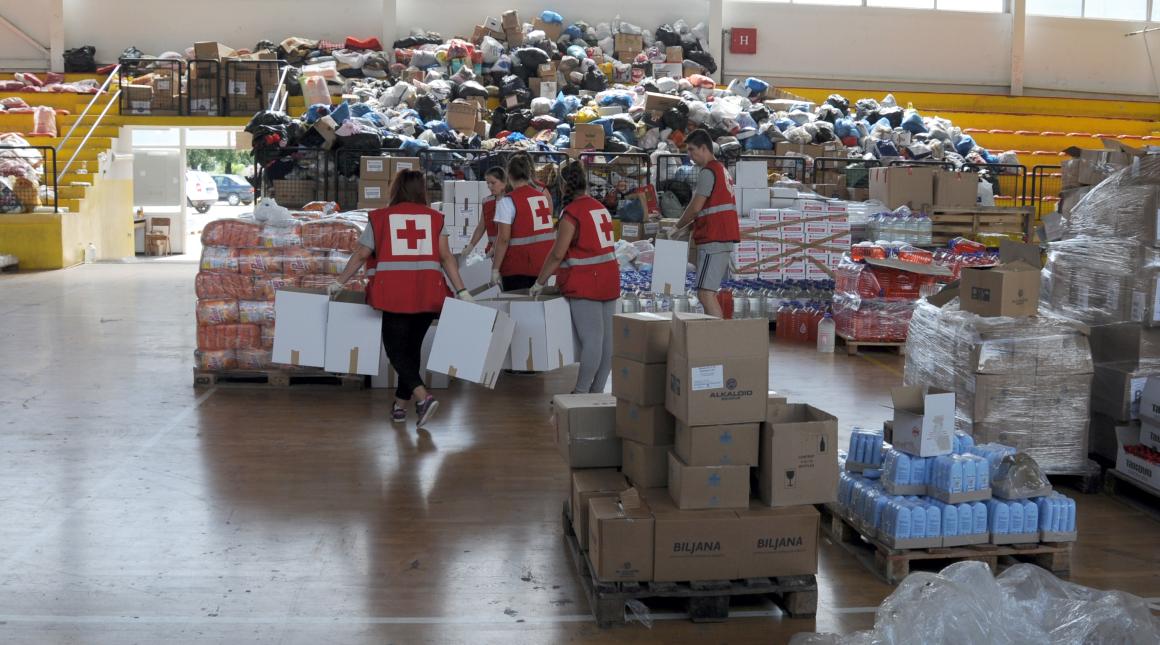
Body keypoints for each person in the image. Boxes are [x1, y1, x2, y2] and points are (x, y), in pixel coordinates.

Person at [333, 169, 472, 429]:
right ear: (421, 190)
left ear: (396, 189)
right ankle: (400, 407)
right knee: (410, 351)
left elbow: (362, 254)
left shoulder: (380, 218)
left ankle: (423, 397)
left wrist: (339, 282)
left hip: (394, 294)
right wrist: (462, 290)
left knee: (396, 351)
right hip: (428, 293)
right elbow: (446, 257)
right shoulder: (435, 218)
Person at [529, 159, 619, 394]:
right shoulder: (600, 207)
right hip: (609, 278)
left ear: (562, 186)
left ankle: (580, 393)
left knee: (592, 340)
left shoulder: (571, 213)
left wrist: (539, 282)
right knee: (607, 342)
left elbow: (557, 254)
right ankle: (597, 392)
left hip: (586, 281)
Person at [670, 129, 740, 318]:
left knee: (705, 293)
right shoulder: (721, 170)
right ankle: (714, 333)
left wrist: (677, 227)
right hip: (720, 237)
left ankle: (715, 334)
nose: (689, 155)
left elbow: (695, 207)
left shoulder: (708, 172)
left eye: (692, 150)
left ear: (704, 148)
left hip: (714, 238)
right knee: (707, 292)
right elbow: (709, 208)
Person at [491, 153, 555, 292]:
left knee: (517, 305)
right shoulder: (542, 197)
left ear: (508, 174)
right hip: (543, 264)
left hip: (518, 266)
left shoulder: (507, 201)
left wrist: (495, 268)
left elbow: (503, 239)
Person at [462, 166, 506, 258]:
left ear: (504, 182)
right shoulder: (487, 202)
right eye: (487, 183)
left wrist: (494, 248)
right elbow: (481, 226)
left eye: (493, 183)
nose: (489, 186)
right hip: (491, 250)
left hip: (506, 249)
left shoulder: (511, 201)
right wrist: (470, 247)